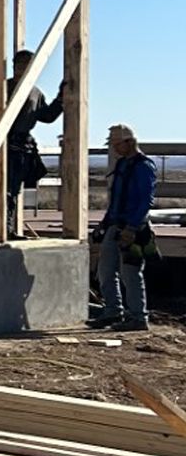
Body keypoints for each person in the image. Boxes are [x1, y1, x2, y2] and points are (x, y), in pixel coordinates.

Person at [90, 124, 156, 331]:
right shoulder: (121, 166)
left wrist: (132, 227)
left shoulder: (144, 166)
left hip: (133, 228)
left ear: (129, 142)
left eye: (118, 144)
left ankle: (138, 316)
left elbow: (145, 200)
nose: (115, 148)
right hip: (115, 224)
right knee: (105, 271)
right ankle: (113, 311)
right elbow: (116, 199)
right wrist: (104, 223)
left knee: (130, 273)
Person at [5, 50, 64, 239]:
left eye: (27, 66)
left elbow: (46, 116)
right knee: (3, 190)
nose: (22, 69)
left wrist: (60, 99)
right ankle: (2, 229)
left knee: (13, 190)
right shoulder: (3, 88)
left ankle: (8, 229)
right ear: (14, 66)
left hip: (21, 148)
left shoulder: (35, 93)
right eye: (20, 65)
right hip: (4, 144)